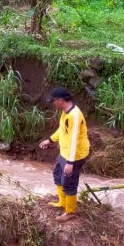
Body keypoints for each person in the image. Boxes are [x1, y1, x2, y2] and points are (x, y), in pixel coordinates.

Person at [39, 87, 90, 223]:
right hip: (65, 152)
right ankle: (62, 202)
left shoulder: (74, 115)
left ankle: (70, 212)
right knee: (57, 175)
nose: (53, 104)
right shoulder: (64, 112)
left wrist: (70, 163)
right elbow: (62, 130)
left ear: (61, 100)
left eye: (54, 101)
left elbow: (74, 140)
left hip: (75, 155)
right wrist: (50, 140)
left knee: (69, 183)